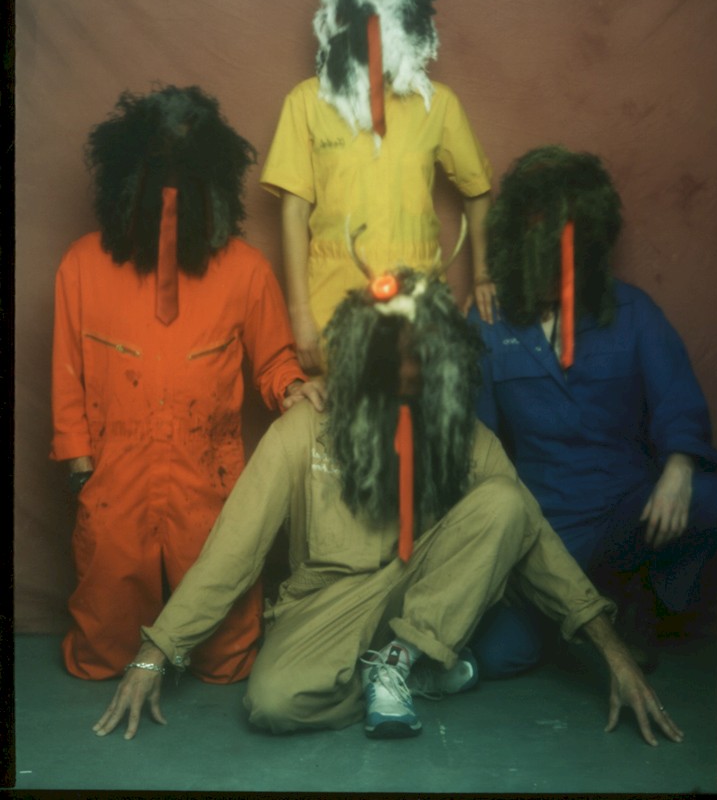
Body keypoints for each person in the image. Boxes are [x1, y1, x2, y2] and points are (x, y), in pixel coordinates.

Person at [92, 260, 682, 747]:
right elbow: (233, 549)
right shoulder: (303, 431)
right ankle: (415, 671)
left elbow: (535, 540)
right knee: (273, 704)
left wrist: (613, 653)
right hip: (324, 604)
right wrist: (155, 653)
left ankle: (403, 657)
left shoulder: (462, 435)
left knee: (505, 501)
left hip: (422, 588)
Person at [51, 85, 324, 683]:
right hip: (115, 476)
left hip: (209, 472)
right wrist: (79, 465)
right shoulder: (82, 265)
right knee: (101, 656)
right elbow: (66, 374)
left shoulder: (246, 269)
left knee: (227, 659)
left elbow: (275, 359)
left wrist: (291, 388)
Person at [467, 145, 717, 677]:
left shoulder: (633, 310)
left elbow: (679, 404)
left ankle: (643, 606)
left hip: (627, 510)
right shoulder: (489, 323)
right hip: (545, 524)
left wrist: (678, 471)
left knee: (706, 496)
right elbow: (478, 446)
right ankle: (582, 621)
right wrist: (503, 545)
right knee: (498, 654)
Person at [260, 0, 494, 374]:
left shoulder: (437, 104)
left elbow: (477, 189)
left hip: (418, 305)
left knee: (416, 409)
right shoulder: (306, 102)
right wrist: (300, 314)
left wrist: (482, 275)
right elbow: (293, 211)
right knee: (341, 412)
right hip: (333, 303)